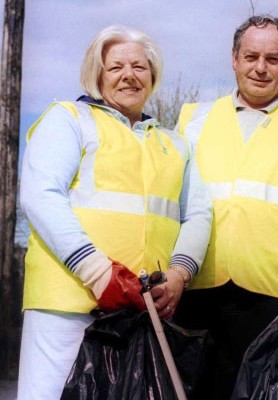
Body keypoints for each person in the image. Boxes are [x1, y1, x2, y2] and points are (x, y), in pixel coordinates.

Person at [17, 25, 212, 399]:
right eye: (116, 67)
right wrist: (97, 272)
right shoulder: (69, 119)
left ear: (152, 77)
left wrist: (178, 275)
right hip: (69, 306)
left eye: (140, 67)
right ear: (97, 74)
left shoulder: (175, 143)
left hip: (144, 312)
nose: (129, 75)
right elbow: (41, 195)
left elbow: (198, 214)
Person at [173, 15, 278, 399]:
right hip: (195, 291)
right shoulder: (191, 120)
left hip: (272, 301)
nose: (260, 68)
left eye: (273, 59)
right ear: (234, 59)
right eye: (251, 56)